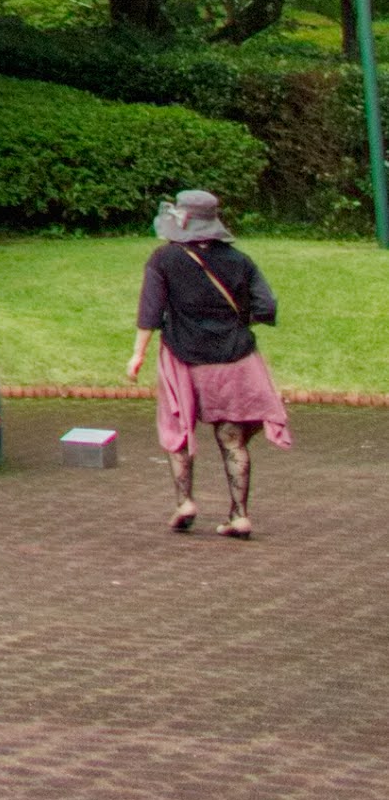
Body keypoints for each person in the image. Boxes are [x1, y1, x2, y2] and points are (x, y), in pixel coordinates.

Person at [125, 188, 289, 539]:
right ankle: (240, 515)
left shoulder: (163, 259)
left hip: (183, 357)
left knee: (178, 430)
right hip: (235, 358)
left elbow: (150, 312)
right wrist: (233, 321)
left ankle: (185, 502)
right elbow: (266, 307)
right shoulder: (239, 260)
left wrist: (137, 354)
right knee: (232, 439)